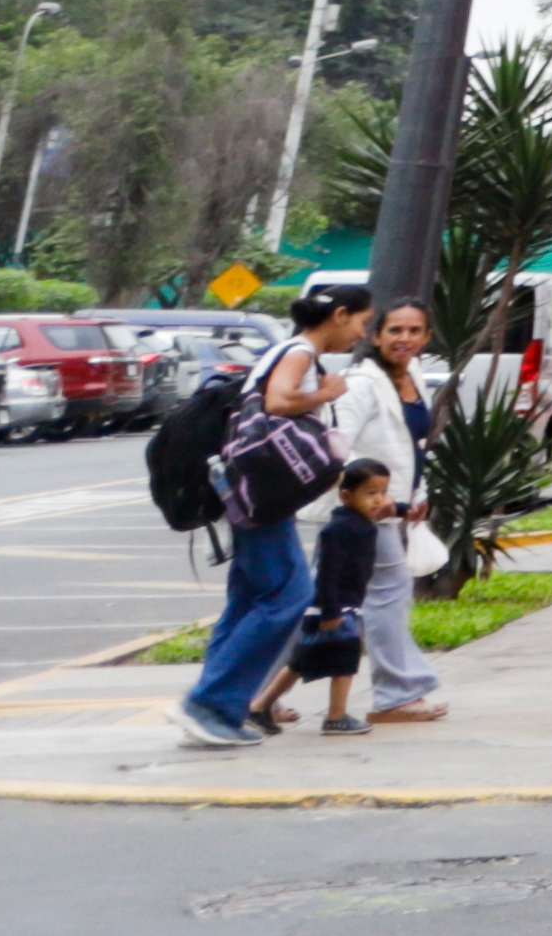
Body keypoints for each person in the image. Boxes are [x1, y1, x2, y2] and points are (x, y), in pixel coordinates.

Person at [179, 280, 386, 750]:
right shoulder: (299, 353)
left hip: (253, 495)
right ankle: (210, 703)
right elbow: (278, 401)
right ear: (339, 316)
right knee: (289, 596)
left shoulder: (296, 352)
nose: (361, 333)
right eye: (361, 322)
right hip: (261, 498)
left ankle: (218, 708)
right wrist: (325, 393)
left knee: (248, 602)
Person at [347, 303, 448, 722]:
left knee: (316, 604)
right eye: (394, 330)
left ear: (426, 337)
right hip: (365, 511)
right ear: (375, 336)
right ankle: (395, 694)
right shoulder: (361, 383)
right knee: (388, 595)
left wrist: (417, 494)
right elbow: (339, 444)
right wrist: (371, 494)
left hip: (393, 508)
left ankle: (257, 693)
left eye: (414, 330)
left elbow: (413, 446)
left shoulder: (414, 377)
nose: (404, 338)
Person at [294, 463, 392, 735]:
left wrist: (404, 508)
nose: (378, 500)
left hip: (340, 606)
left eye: (383, 492)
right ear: (346, 496)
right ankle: (336, 717)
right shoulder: (338, 530)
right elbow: (327, 574)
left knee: (300, 661)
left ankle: (261, 706)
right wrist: (331, 611)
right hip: (336, 608)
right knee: (346, 661)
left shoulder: (360, 524)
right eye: (370, 493)